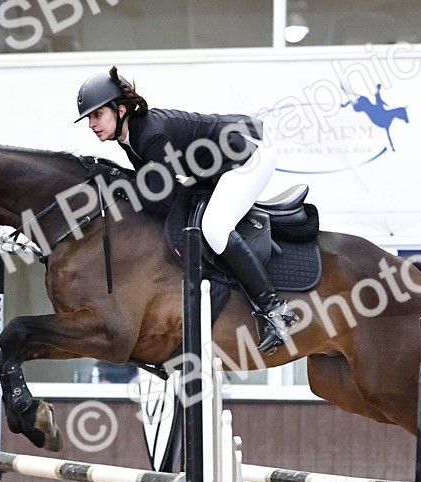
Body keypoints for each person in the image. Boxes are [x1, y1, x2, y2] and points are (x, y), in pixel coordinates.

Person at [75, 67, 298, 354]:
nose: (92, 124)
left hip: (250, 154)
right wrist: (116, 176)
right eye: (89, 118)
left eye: (97, 115)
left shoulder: (151, 135)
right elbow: (152, 185)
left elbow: (161, 197)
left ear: (120, 110)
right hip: (215, 163)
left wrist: (116, 181)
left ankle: (274, 310)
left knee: (215, 227)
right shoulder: (129, 137)